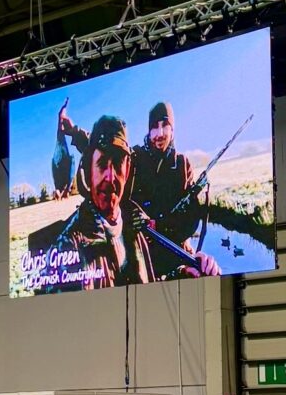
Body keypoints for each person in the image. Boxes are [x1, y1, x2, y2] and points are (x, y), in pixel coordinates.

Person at [49, 114, 156, 289]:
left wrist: (186, 273)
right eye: (102, 163)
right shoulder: (69, 248)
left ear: (127, 169)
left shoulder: (137, 226)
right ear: (89, 170)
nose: (110, 176)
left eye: (118, 162)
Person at [129, 100, 206, 278]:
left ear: (173, 130)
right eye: (155, 127)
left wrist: (159, 226)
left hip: (175, 249)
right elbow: (108, 147)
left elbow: (189, 221)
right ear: (148, 131)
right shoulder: (135, 158)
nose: (160, 133)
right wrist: (74, 133)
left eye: (165, 125)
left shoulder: (182, 164)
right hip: (139, 251)